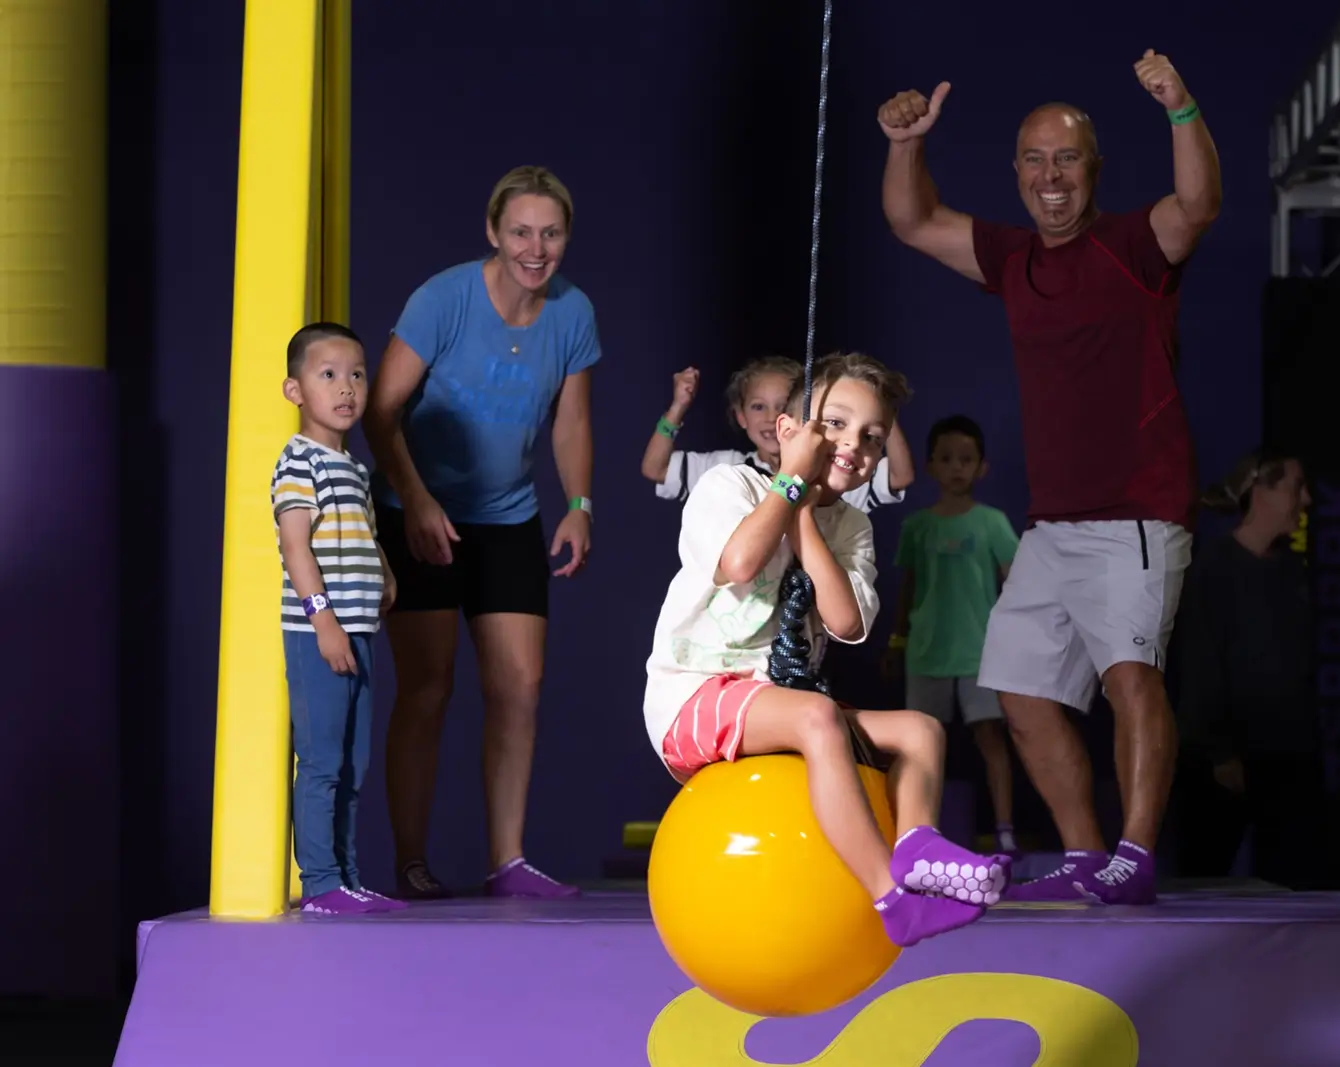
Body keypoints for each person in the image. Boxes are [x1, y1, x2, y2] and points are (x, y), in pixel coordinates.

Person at [878, 50, 1223, 904]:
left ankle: (1134, 858)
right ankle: (1083, 855)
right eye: (1034, 160)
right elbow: (914, 222)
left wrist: (1180, 107)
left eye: (1066, 157)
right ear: (1018, 175)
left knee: (1130, 678)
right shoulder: (1013, 259)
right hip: (1053, 523)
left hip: (1138, 514)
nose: (1050, 175)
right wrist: (905, 143)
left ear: (1093, 168)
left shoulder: (1134, 246)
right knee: (1021, 693)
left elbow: (1199, 205)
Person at [642, 353, 1011, 946]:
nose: (853, 446)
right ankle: (892, 902)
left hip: (778, 704)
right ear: (791, 433)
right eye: (834, 425)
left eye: (872, 437)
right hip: (695, 696)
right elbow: (738, 564)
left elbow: (845, 623)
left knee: (921, 732)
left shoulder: (853, 527)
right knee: (817, 716)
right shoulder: (729, 485)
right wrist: (791, 487)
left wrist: (807, 519)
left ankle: (917, 852)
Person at [364, 166, 598, 900]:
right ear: (493, 232)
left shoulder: (573, 312)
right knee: (428, 689)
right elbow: (380, 410)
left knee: (520, 685)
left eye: (551, 232)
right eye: (522, 231)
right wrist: (417, 497)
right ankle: (411, 859)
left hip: (507, 517)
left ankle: (508, 859)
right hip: (419, 514)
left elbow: (571, 419)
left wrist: (580, 502)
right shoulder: (444, 299)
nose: (536, 247)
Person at [271, 322, 405, 915]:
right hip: (319, 635)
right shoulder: (300, 463)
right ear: (295, 390)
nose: (346, 388)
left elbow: (360, 533)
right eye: (328, 375)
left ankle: (348, 878)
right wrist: (322, 619)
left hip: (359, 632)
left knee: (355, 763)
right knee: (322, 761)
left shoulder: (350, 468)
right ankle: (321, 882)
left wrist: (384, 571)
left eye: (356, 374)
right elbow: (296, 546)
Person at [1168, 449, 1327, 889]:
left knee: (1298, 886)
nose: (1307, 500)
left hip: (1290, 760)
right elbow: (1200, 664)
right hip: (1224, 764)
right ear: (1262, 493)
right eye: (1297, 488)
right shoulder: (1211, 570)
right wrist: (1219, 753)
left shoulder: (1293, 571)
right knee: (1201, 881)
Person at [883, 415, 1021, 853]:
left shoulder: (993, 522)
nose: (956, 467)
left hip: (981, 653)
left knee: (991, 739)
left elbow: (1014, 582)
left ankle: (1004, 831)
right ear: (930, 467)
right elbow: (906, 589)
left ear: (981, 467)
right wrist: (897, 641)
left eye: (966, 459)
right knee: (922, 747)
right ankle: (918, 834)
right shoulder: (917, 526)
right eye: (946, 459)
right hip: (925, 653)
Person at [640, 355, 915, 514]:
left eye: (782, 406)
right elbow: (655, 468)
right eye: (758, 407)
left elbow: (899, 476)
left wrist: (877, 410)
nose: (772, 419)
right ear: (741, 416)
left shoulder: (834, 473)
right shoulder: (724, 470)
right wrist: (678, 407)